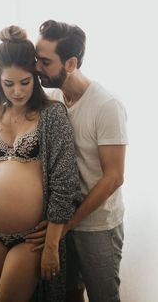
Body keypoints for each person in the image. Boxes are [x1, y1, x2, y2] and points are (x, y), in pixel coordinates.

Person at [0, 25, 82, 302]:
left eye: (25, 82)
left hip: (32, 238)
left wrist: (52, 244)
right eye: (8, 84)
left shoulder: (52, 115)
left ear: (34, 77)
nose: (17, 91)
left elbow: (64, 182)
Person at [25, 20, 128, 302]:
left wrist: (68, 223)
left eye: (45, 62)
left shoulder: (107, 106)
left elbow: (114, 177)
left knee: (103, 297)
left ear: (70, 64)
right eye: (36, 59)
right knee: (68, 295)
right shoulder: (54, 98)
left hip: (98, 227)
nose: (36, 68)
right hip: (62, 221)